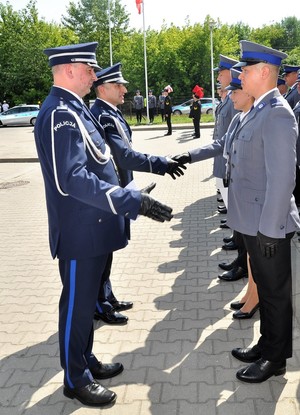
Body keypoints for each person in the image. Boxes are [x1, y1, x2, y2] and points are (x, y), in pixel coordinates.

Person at [34, 42, 174, 407]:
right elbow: (72, 180)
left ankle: (84, 360)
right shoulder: (59, 114)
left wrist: (130, 192)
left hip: (94, 227)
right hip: (81, 232)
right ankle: (74, 380)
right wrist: (133, 201)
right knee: (77, 307)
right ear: (68, 69)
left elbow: (101, 164)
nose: (95, 76)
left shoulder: (75, 108)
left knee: (85, 305)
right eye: (90, 68)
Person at [90, 62, 186, 325]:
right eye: (118, 85)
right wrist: (160, 163)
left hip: (120, 187)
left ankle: (106, 297)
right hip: (109, 193)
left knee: (108, 247)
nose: (124, 89)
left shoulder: (109, 111)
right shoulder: (101, 114)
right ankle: (99, 304)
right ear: (102, 88)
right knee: (102, 249)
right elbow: (123, 155)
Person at [227, 41, 300, 383]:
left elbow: (283, 178)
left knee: (274, 293)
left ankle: (275, 359)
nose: (239, 75)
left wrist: (271, 229)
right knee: (268, 290)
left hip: (268, 224)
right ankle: (267, 343)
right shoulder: (259, 109)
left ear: (264, 73)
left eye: (245, 70)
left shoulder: (277, 113)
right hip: (254, 221)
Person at [172, 68, 251, 284]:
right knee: (241, 230)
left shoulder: (260, 115)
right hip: (236, 181)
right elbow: (220, 143)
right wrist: (189, 155)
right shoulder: (240, 118)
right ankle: (242, 263)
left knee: (246, 232)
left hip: (249, 189)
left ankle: (245, 266)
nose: (229, 95)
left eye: (234, 92)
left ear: (247, 93)